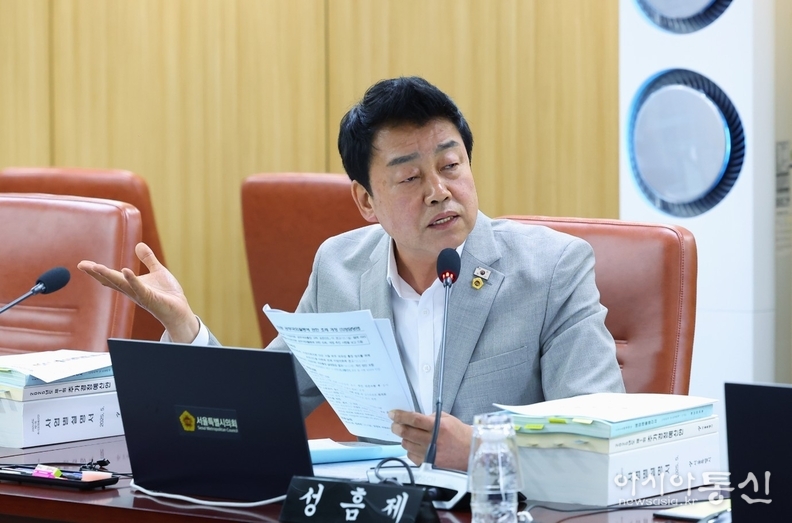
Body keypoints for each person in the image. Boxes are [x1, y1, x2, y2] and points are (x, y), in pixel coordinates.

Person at [78, 76, 625, 472]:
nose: (439, 191)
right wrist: (185, 326)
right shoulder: (340, 268)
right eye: (409, 178)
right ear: (366, 201)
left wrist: (482, 451)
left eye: (450, 165)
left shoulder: (552, 268)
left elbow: (604, 439)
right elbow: (259, 408)